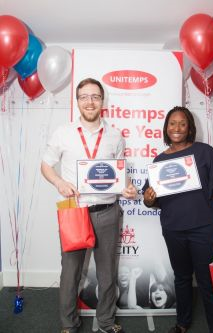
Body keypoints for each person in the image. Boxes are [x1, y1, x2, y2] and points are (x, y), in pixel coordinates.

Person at [41, 78, 137, 333]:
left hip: (107, 212)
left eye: (95, 96)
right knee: (70, 273)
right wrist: (59, 182)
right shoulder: (63, 133)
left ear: (102, 101)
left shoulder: (115, 136)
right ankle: (68, 325)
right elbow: (45, 166)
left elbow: (120, 172)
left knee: (107, 273)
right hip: (75, 211)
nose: (90, 101)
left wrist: (127, 187)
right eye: (84, 97)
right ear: (77, 101)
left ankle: (106, 321)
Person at [143, 106, 213, 333]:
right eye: (172, 123)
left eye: (182, 123)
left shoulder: (204, 152)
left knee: (208, 281)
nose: (176, 128)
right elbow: (151, 200)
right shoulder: (159, 160)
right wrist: (148, 198)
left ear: (190, 128)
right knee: (182, 277)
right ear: (166, 128)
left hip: (204, 229)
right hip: (174, 230)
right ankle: (182, 323)